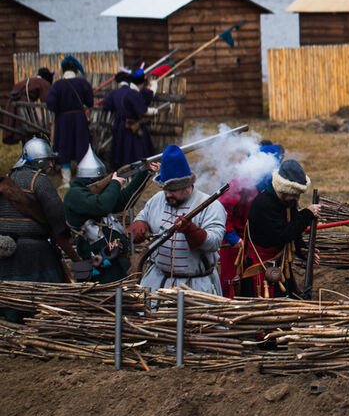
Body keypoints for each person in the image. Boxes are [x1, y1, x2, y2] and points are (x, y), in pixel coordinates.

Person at [126, 145, 226, 295]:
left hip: (196, 287)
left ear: (187, 186)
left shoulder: (211, 206)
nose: (167, 195)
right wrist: (140, 225)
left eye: (172, 190)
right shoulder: (156, 200)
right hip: (157, 282)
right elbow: (141, 220)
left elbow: (214, 242)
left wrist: (191, 230)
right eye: (165, 190)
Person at [0, 137, 79, 321]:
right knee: (48, 299)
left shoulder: (8, 180)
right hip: (35, 253)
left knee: (11, 300)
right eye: (48, 161)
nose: (51, 165)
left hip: (5, 250)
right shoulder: (39, 181)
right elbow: (57, 219)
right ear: (40, 162)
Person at [62, 145, 154, 284]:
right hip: (96, 264)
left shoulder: (94, 194)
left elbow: (124, 201)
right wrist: (115, 183)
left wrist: (144, 173)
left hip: (114, 260)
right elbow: (102, 206)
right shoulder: (74, 195)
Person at [239, 159, 321, 299]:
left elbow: (293, 229)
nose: (297, 197)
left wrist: (301, 248)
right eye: (294, 193)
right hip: (262, 267)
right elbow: (282, 234)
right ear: (283, 189)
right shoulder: (264, 204)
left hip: (280, 265)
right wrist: (306, 214)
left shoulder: (287, 201)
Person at [218, 141, 284, 298]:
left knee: (257, 281)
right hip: (236, 244)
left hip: (255, 243)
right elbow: (221, 209)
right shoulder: (241, 184)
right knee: (233, 281)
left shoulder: (269, 182)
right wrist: (232, 236)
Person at [45, 55, 94, 189]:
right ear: (76, 70)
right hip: (79, 120)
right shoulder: (83, 83)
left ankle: (66, 182)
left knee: (64, 148)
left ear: (63, 69)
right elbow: (90, 102)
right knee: (81, 147)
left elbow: (50, 104)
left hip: (63, 121)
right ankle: (82, 180)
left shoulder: (57, 85)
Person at [104, 67, 155, 170]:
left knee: (122, 151)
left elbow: (106, 106)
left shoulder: (115, 93)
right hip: (132, 124)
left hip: (120, 124)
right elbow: (143, 108)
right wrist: (154, 111)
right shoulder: (133, 93)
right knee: (136, 152)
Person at [2, 67, 52, 145]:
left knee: (25, 129)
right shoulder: (43, 82)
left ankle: (26, 148)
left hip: (12, 107)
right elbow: (48, 100)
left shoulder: (27, 81)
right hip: (23, 108)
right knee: (31, 128)